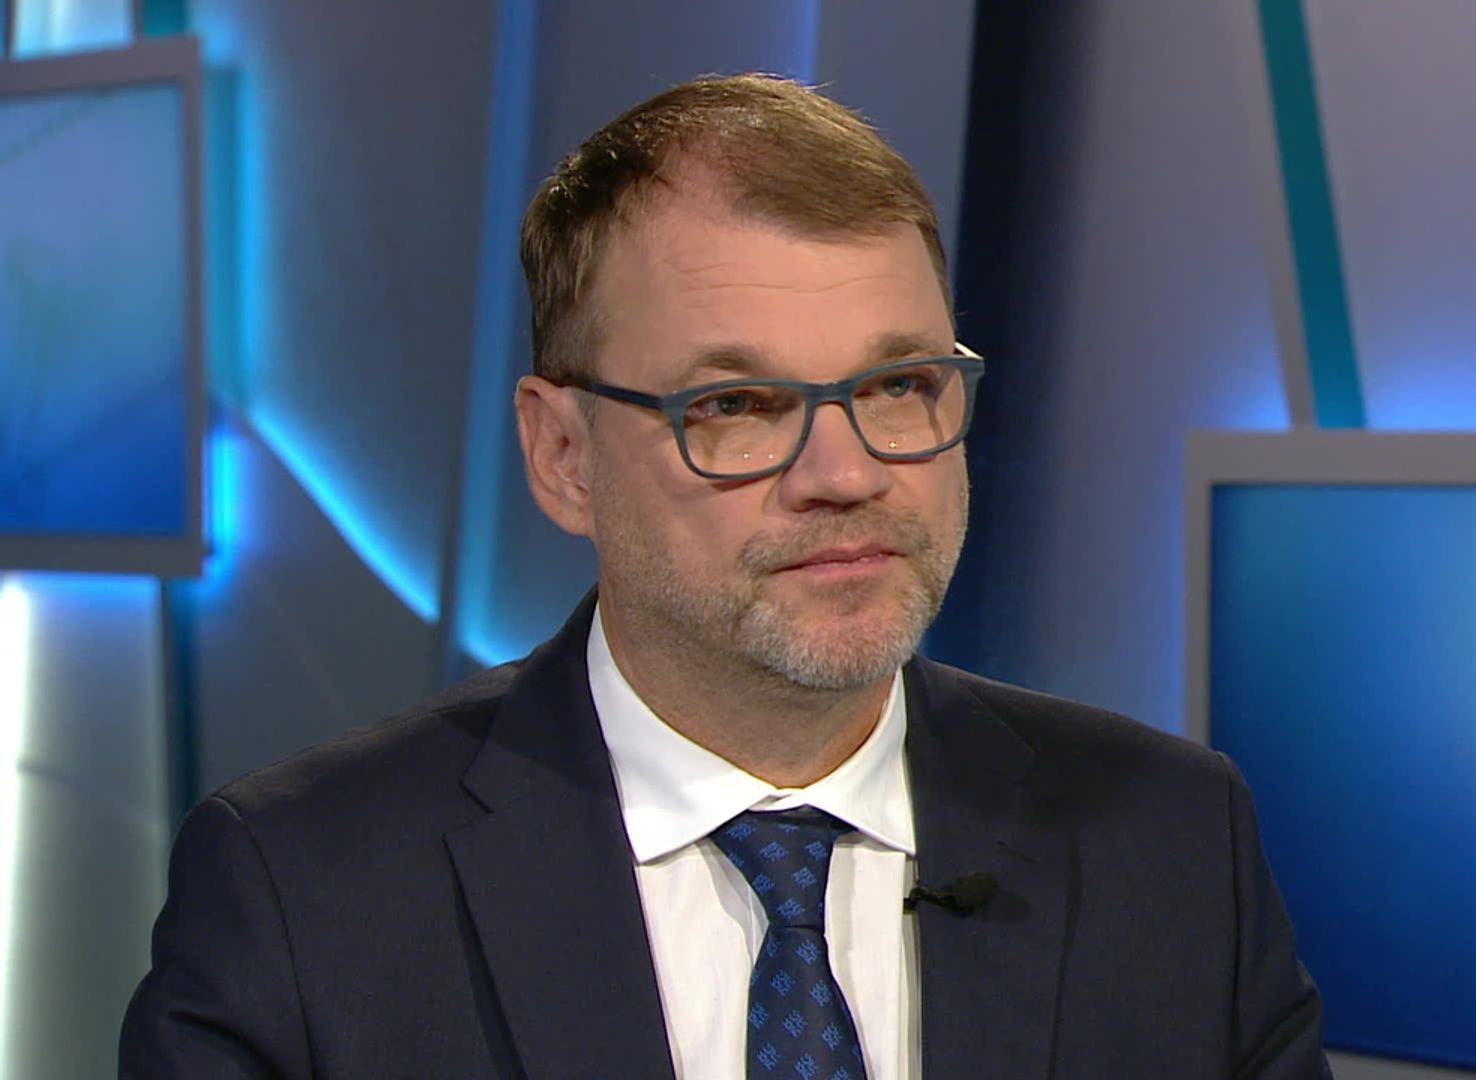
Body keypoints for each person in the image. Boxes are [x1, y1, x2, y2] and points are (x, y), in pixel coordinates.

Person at [120, 74, 1331, 1079]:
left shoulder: (1172, 840)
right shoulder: (302, 890)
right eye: (739, 405)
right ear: (563, 456)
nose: (847, 475)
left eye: (898, 386)